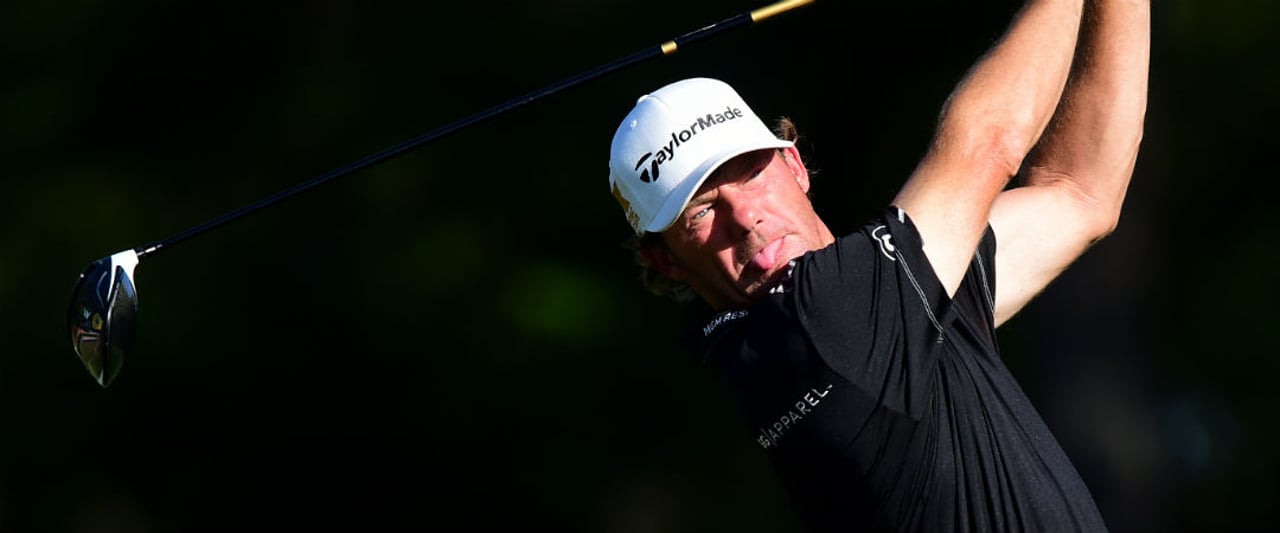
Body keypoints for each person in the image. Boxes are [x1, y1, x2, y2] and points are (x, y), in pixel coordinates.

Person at [605, 0, 1149, 530]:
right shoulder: (820, 321)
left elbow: (1078, 192)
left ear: (794, 163)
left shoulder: (883, 312)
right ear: (664, 261)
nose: (745, 217)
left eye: (750, 171)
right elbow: (988, 142)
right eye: (701, 210)